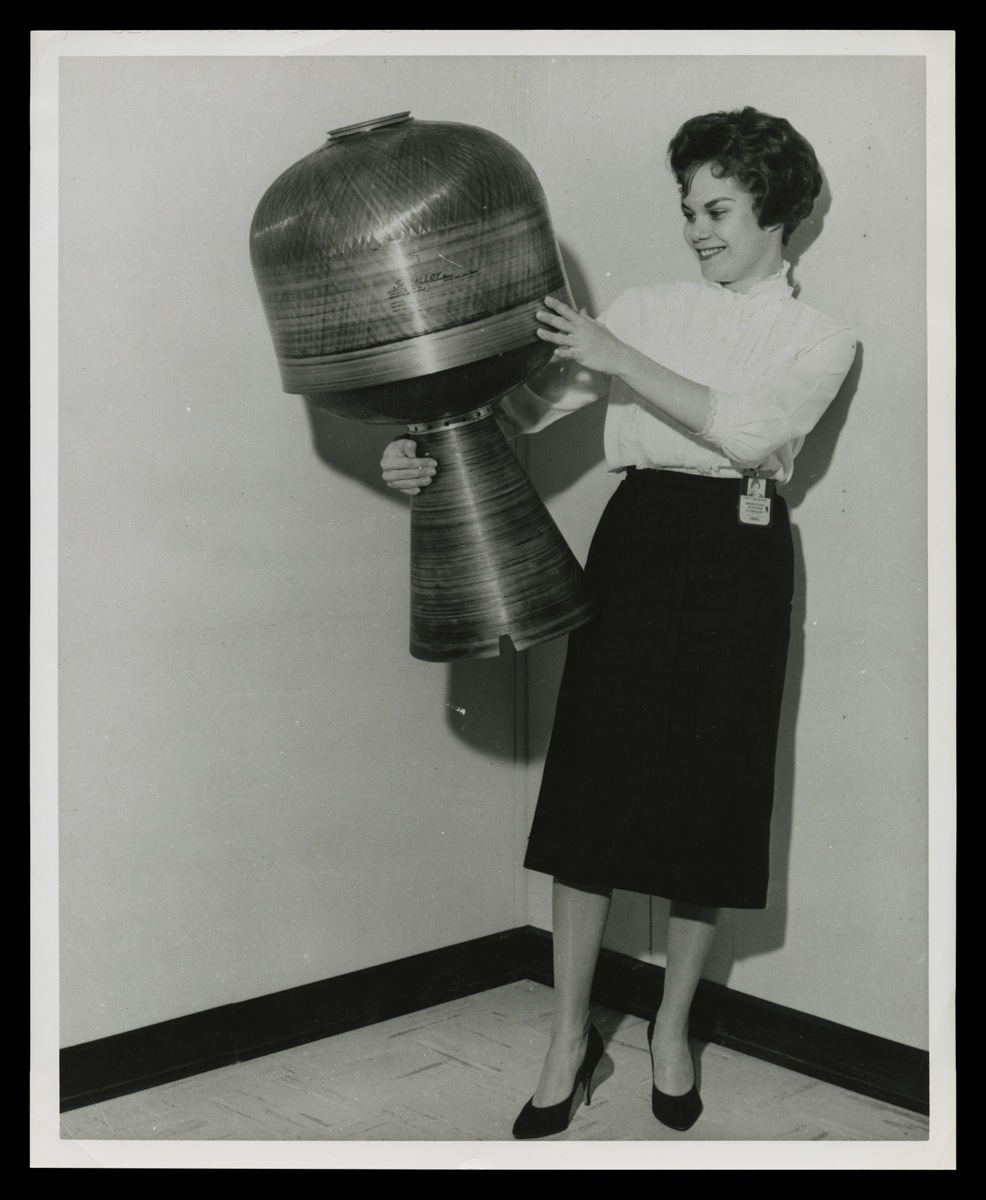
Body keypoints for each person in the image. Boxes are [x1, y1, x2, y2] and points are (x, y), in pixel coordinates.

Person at [381, 107, 857, 1138]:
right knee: (591, 792)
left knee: (709, 799)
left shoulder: (821, 339)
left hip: (741, 554)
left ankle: (670, 1031)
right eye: (685, 207)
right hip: (637, 539)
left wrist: (618, 358)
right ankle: (565, 1038)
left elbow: (755, 432)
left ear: (775, 209)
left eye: (716, 207)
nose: (693, 227)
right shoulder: (641, 306)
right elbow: (519, 413)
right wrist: (419, 449)